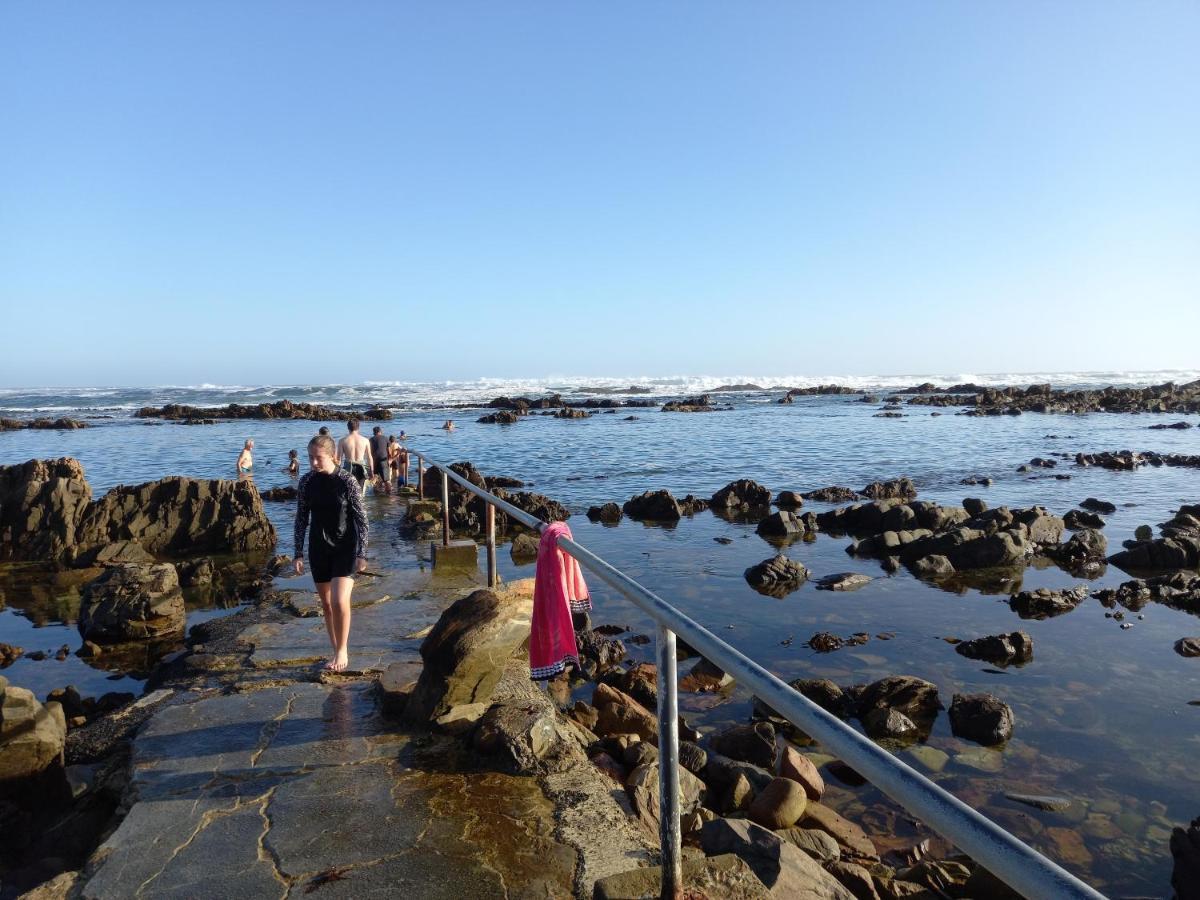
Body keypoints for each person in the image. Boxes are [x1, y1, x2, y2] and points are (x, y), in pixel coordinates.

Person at [293, 434, 368, 672]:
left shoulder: (347, 481)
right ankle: (335, 648)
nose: (313, 463)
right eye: (310, 458)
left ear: (333, 456)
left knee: (339, 600)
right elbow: (301, 519)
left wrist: (362, 553)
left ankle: (342, 650)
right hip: (318, 547)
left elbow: (361, 518)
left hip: (345, 546)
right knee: (326, 604)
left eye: (318, 458)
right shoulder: (306, 482)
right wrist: (298, 553)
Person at [337, 419, 372, 494]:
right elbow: (369, 457)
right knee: (360, 492)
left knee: (348, 491)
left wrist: (336, 473)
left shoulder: (342, 441)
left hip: (348, 468)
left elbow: (339, 459)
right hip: (361, 468)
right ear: (358, 427)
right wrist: (371, 471)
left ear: (348, 428)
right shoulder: (365, 440)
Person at [370, 425, 391, 494]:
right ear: (380, 431)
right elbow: (389, 451)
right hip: (383, 460)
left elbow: (370, 451)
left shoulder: (371, 439)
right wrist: (390, 459)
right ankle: (389, 494)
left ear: (373, 432)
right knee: (386, 480)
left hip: (374, 461)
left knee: (375, 477)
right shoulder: (385, 438)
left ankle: (376, 493)